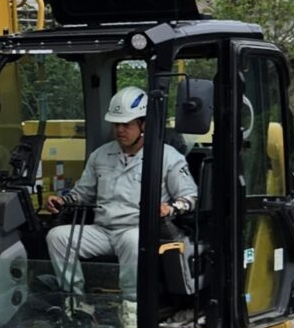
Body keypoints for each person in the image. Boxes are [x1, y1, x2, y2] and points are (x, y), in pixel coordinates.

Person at [45, 86, 197, 303]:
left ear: (144, 124)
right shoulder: (100, 155)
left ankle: (132, 306)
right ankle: (75, 301)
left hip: (139, 229)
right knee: (57, 237)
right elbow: (82, 194)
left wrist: (170, 208)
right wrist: (62, 200)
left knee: (132, 240)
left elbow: (191, 198)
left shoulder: (167, 157)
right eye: (116, 124)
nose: (120, 130)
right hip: (103, 230)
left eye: (126, 124)